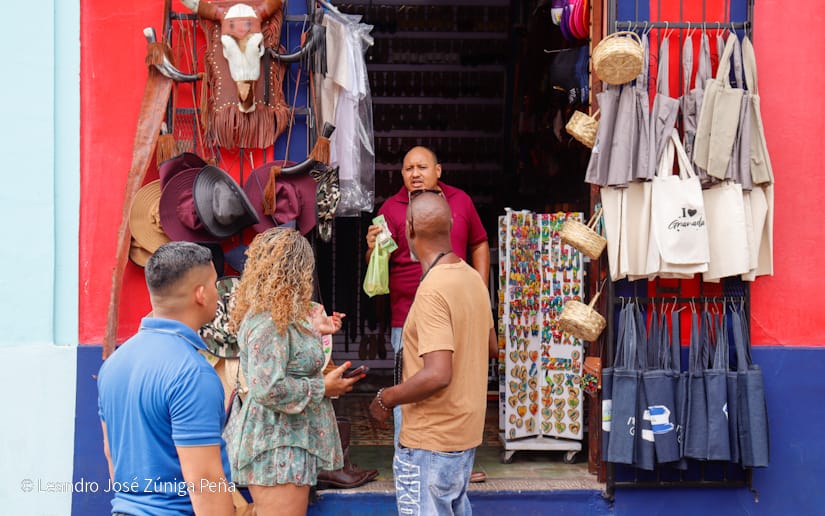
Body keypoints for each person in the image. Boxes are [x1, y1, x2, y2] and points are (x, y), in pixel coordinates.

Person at [368, 192, 496, 515]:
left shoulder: (432, 290)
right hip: (464, 439)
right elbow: (493, 347)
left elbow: (438, 373)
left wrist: (386, 398)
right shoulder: (472, 279)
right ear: (452, 225)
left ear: (409, 229)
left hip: (430, 444)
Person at [227, 227, 361, 516]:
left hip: (287, 441)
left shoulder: (279, 317)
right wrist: (322, 388)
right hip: (278, 446)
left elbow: (287, 358)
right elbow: (268, 388)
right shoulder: (268, 323)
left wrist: (314, 329)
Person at [97, 241, 235, 516]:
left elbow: (112, 456)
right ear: (200, 294)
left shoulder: (113, 364)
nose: (218, 295)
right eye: (213, 285)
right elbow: (205, 482)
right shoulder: (192, 373)